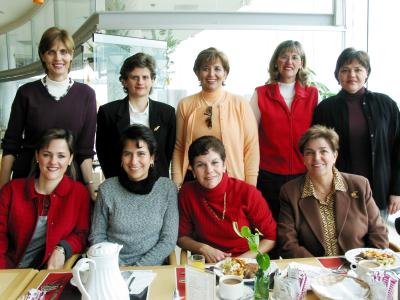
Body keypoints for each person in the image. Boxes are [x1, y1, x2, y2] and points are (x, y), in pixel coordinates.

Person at [0, 26, 97, 200]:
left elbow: (85, 150)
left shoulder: (86, 95)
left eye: (64, 52)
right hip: (28, 179)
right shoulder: (26, 93)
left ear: (71, 55)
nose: (58, 58)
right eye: (51, 52)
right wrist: (3, 189)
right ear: (43, 56)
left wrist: (90, 189)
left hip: (70, 181)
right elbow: (11, 145)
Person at [312, 47, 400, 219]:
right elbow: (317, 152)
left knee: (376, 243)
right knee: (342, 243)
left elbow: (398, 149)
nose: (351, 74)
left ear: (367, 73)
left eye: (358, 69)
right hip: (339, 190)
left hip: (378, 191)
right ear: (337, 76)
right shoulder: (325, 109)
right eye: (345, 70)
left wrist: (397, 190)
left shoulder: (386, 105)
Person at [278, 125, 388, 258]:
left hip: (357, 269)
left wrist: (364, 265)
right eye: (309, 152)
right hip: (314, 273)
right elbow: (287, 243)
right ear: (304, 159)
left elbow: (378, 233)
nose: (317, 157)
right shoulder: (290, 192)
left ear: (334, 155)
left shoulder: (359, 185)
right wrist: (320, 270)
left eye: (323, 151)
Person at [0, 128, 90, 269]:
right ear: (37, 156)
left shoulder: (79, 193)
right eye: (47, 154)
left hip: (48, 275)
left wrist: (62, 248)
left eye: (61, 156)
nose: (53, 161)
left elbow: (82, 234)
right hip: (9, 271)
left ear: (70, 159)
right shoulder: (11, 190)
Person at [89, 124, 178, 266]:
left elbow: (168, 240)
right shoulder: (107, 189)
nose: (133, 161)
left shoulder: (167, 189)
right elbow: (97, 236)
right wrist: (116, 265)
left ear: (152, 158)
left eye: (141, 153)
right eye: (127, 154)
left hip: (152, 269)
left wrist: (138, 268)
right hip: (111, 268)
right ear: (121, 158)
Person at [178, 136, 276, 263]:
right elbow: (181, 236)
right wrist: (202, 248)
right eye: (200, 165)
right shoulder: (187, 193)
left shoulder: (247, 193)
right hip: (208, 265)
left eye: (215, 163)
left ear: (224, 165)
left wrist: (239, 262)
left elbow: (271, 237)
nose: (209, 171)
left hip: (245, 262)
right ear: (193, 170)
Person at [250, 40, 318, 221]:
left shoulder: (312, 94)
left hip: (303, 173)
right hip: (268, 174)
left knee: (300, 225)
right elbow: (249, 135)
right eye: (284, 57)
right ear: (276, 62)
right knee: (270, 225)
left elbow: (318, 135)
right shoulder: (261, 93)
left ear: (301, 63)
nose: (289, 61)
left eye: (295, 57)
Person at [172, 47, 259, 188]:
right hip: (194, 181)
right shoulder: (185, 104)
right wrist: (176, 184)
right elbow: (179, 147)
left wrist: (250, 188)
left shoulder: (240, 103)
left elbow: (251, 147)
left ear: (225, 73)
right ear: (197, 73)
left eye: (217, 69)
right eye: (205, 68)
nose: (211, 74)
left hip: (233, 180)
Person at [96, 52, 176, 179]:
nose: (140, 82)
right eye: (134, 77)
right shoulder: (108, 112)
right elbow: (103, 152)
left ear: (153, 80)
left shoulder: (167, 113)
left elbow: (168, 152)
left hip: (157, 183)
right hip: (119, 181)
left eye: (145, 77)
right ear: (124, 81)